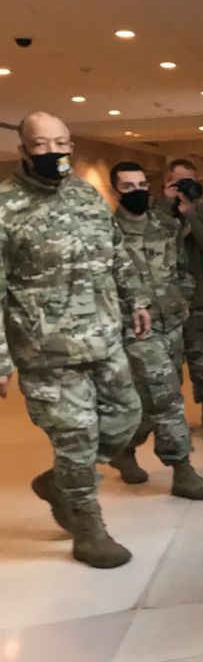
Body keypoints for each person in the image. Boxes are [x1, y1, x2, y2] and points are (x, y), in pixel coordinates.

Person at [0, 112, 152, 568]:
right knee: (77, 439)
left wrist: (137, 300)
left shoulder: (85, 195)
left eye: (62, 143)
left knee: (127, 415)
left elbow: (115, 253)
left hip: (103, 337)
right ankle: (89, 531)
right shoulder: (5, 206)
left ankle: (61, 482)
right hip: (47, 351)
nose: (54, 153)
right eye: (42, 145)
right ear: (23, 151)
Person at [108, 162, 203, 500]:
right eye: (128, 187)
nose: (137, 191)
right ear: (115, 191)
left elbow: (182, 268)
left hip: (173, 322)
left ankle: (125, 449)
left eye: (142, 184)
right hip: (137, 330)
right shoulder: (107, 232)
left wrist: (183, 300)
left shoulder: (164, 225)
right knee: (167, 398)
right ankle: (182, 469)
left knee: (153, 397)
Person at [157, 158, 203, 441]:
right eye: (179, 182)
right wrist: (167, 206)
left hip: (198, 298)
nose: (185, 187)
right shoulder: (156, 212)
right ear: (168, 183)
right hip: (165, 302)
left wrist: (191, 214)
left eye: (190, 182)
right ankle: (173, 419)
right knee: (167, 366)